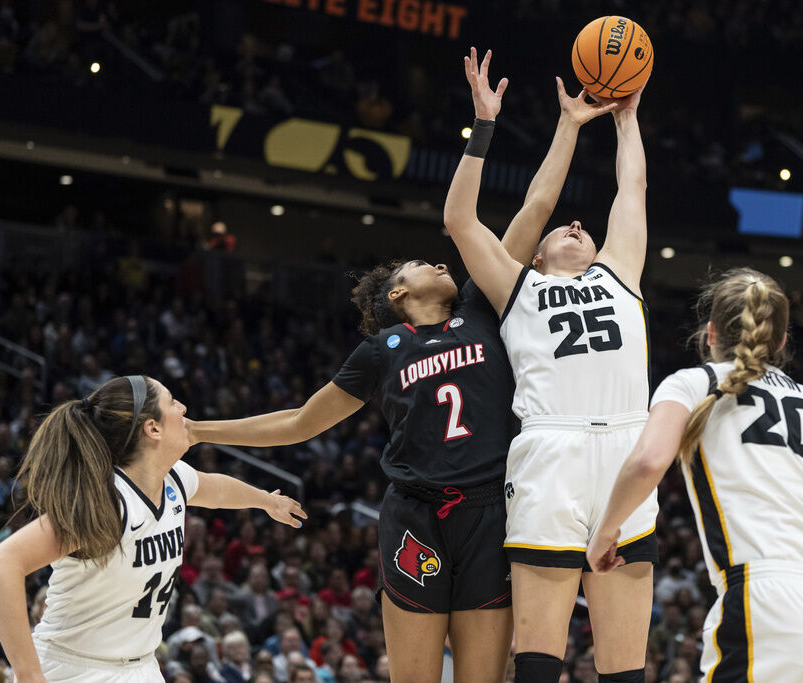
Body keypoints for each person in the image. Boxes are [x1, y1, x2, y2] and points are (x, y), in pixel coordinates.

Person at [187, 48, 614, 683]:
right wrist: (198, 432)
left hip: (491, 512)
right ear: (398, 294)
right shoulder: (380, 353)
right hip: (415, 513)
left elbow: (533, 211)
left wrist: (568, 127)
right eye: (421, 264)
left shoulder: (483, 306)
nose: (439, 262)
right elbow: (300, 423)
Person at [584, 268, 803, 682]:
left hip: (767, 604)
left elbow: (647, 463)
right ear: (780, 340)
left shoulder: (695, 383)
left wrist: (606, 530)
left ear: (710, 334)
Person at [443, 47, 654, 682]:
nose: (577, 225)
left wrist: (625, 118)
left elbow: (632, 186)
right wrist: (538, 126)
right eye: (562, 228)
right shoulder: (517, 289)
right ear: (533, 256)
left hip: (626, 445)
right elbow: (459, 219)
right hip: (550, 450)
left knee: (625, 669)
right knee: (538, 660)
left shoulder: (621, 274)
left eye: (583, 228)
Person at [0, 375, 305, 683]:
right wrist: (29, 673)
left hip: (140, 666)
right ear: (152, 428)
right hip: (74, 667)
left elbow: (218, 490)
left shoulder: (174, 479)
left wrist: (266, 501)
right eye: (171, 401)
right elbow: (2, 562)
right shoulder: (106, 503)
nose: (183, 408)